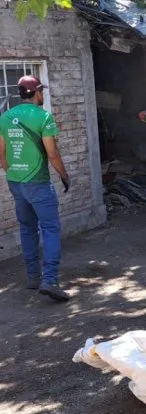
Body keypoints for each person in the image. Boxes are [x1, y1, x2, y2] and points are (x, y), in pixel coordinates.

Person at [0, 75, 71, 302]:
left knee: (27, 228)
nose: (43, 95)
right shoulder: (44, 117)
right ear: (37, 92)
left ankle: (33, 276)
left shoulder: (6, 117)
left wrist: (11, 171)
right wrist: (64, 175)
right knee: (50, 228)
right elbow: (52, 154)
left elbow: (1, 153)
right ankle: (50, 280)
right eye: (42, 91)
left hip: (16, 182)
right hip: (37, 183)